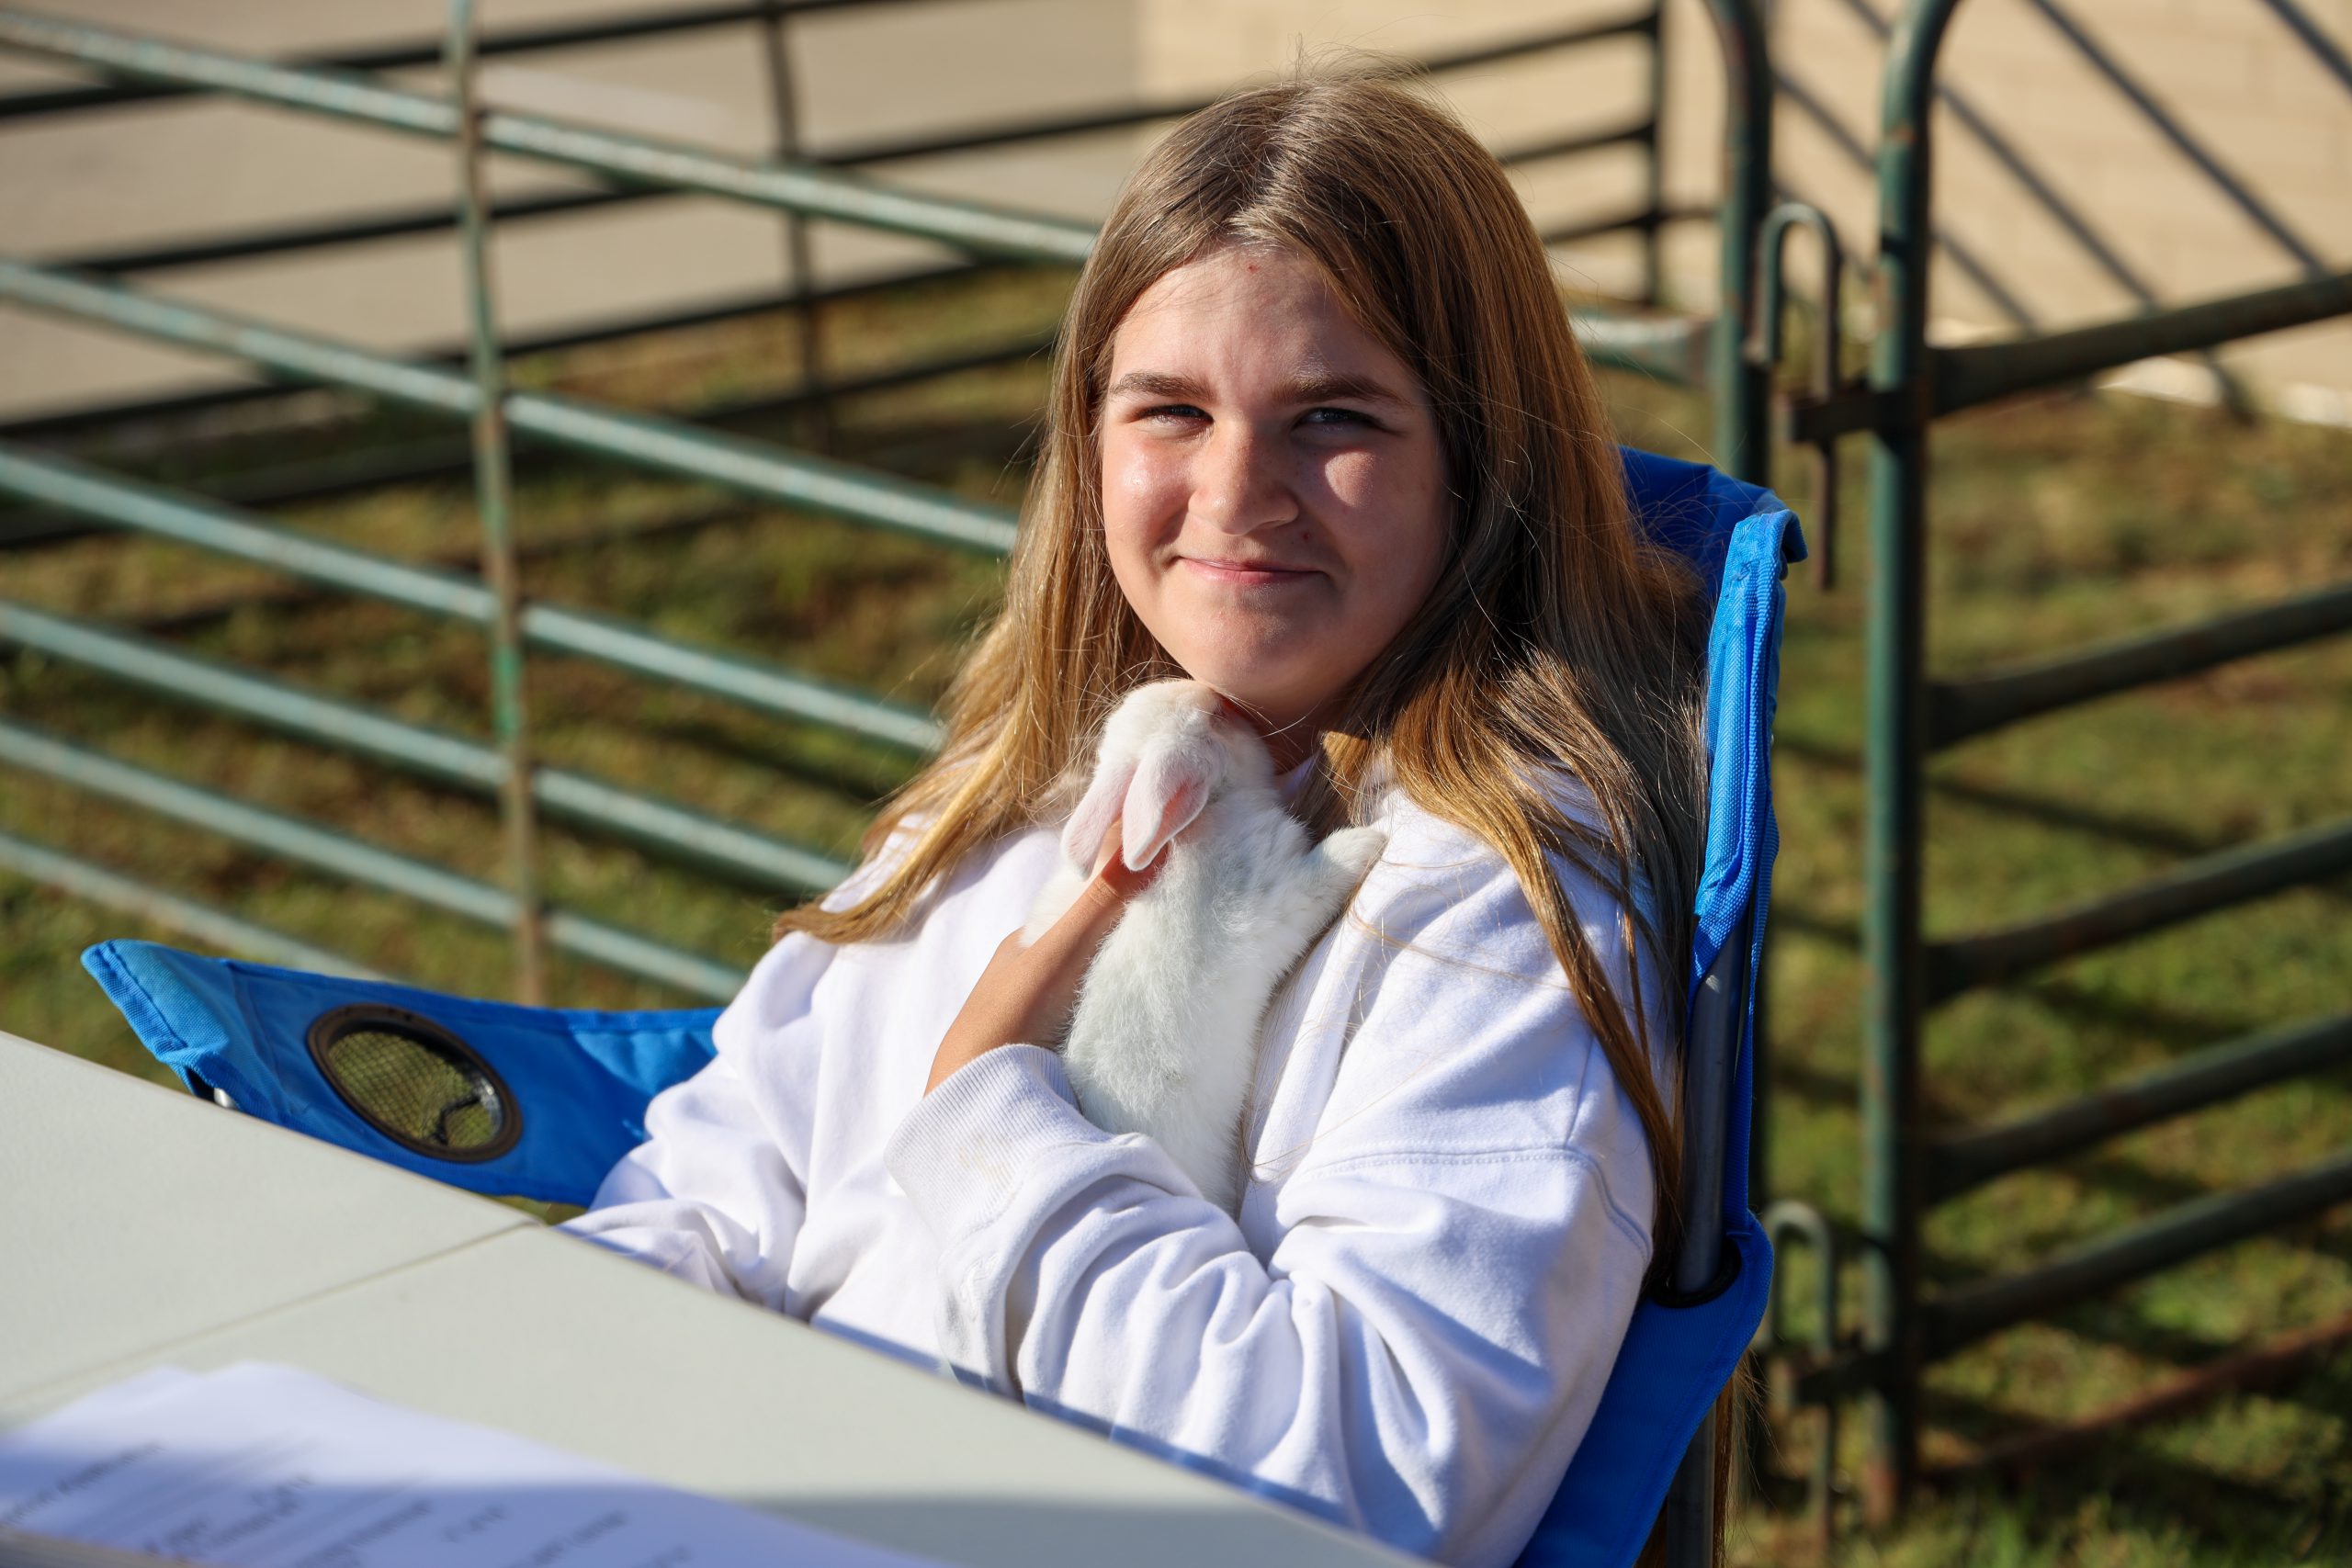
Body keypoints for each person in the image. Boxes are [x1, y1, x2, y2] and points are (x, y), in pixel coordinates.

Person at [563, 65, 1712, 1568]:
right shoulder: (1009, 804)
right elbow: (713, 1191)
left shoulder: (1499, 918)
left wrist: (993, 1116)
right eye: (1171, 409)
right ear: (1089, 440)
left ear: (1481, 465)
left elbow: (1355, 1487)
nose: (1239, 494)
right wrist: (550, 1402)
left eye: (1335, 420)